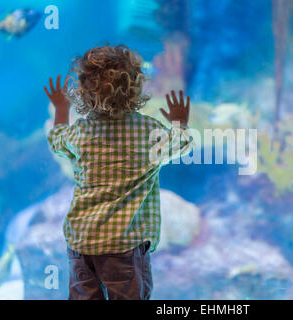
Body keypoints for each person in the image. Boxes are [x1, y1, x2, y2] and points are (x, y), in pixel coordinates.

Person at [44, 44, 194, 300]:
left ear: (81, 91)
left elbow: (57, 141)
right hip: (124, 247)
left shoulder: (80, 132)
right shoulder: (147, 131)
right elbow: (180, 145)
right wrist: (179, 122)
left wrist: (61, 109)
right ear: (136, 89)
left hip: (82, 243)